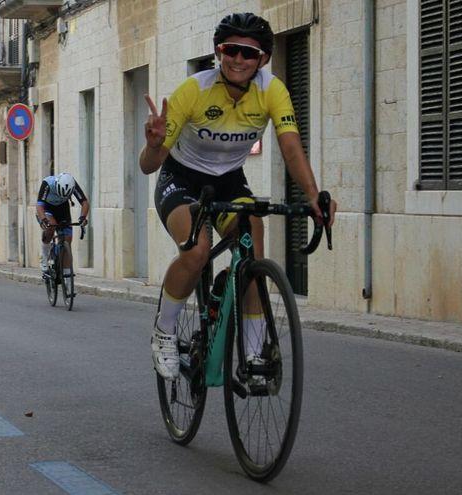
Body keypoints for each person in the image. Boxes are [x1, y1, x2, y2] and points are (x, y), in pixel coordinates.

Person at [139, 13, 337, 378]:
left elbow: (290, 146)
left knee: (251, 250)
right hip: (181, 179)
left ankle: (252, 350)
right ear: (219, 52)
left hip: (229, 181)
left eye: (249, 53)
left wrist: (313, 195)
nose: (238, 60)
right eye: (230, 50)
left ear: (263, 59)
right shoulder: (194, 90)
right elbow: (148, 166)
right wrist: (153, 145)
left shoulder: (272, 90)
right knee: (197, 250)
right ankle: (164, 331)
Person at [35, 173, 89, 277]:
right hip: (46, 208)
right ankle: (44, 255)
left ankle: (66, 274)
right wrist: (43, 220)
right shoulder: (48, 183)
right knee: (51, 226)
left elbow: (85, 202)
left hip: (63, 209)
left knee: (67, 239)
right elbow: (39, 205)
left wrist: (83, 217)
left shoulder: (72, 183)